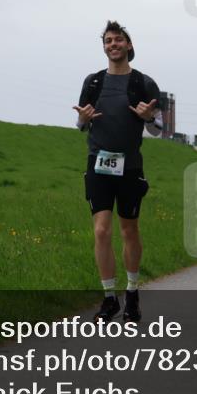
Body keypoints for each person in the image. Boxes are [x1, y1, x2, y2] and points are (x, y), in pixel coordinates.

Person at [73, 21, 161, 323]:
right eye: (109, 41)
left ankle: (133, 293)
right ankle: (109, 297)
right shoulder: (93, 82)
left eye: (119, 40)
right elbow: (82, 123)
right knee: (101, 230)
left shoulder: (144, 83)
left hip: (130, 166)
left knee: (129, 230)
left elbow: (157, 129)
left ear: (129, 45)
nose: (113, 45)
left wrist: (150, 118)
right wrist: (82, 121)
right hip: (98, 163)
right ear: (104, 47)